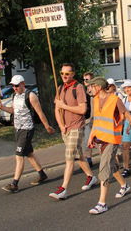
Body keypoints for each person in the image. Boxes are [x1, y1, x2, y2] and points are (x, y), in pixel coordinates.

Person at [86, 77, 131, 215]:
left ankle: (102, 203)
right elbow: (96, 120)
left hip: (111, 139)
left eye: (92, 86)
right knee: (113, 166)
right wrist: (91, 136)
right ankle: (124, 185)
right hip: (100, 139)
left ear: (99, 87)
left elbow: (129, 117)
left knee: (104, 168)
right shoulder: (96, 100)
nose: (90, 89)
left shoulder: (115, 100)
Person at [0, 75, 55, 193]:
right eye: (13, 86)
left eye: (16, 86)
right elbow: (13, 111)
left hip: (27, 129)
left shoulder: (30, 96)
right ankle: (42, 174)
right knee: (29, 153)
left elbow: (40, 113)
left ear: (23, 84)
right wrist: (3, 108)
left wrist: (47, 126)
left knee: (19, 156)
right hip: (18, 129)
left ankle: (14, 184)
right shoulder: (15, 95)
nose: (14, 88)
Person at [50, 63, 98, 200]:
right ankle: (91, 177)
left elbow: (83, 110)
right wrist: (60, 125)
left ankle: (63, 189)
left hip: (77, 127)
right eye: (62, 73)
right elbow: (56, 110)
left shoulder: (79, 87)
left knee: (69, 157)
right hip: (66, 129)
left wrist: (64, 106)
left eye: (67, 74)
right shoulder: (60, 88)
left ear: (72, 74)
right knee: (78, 156)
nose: (64, 76)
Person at [83, 72, 94, 167]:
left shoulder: (95, 90)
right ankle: (89, 159)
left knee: (100, 141)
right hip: (88, 120)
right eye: (84, 79)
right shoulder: (84, 92)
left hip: (97, 120)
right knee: (87, 140)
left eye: (87, 79)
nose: (85, 81)